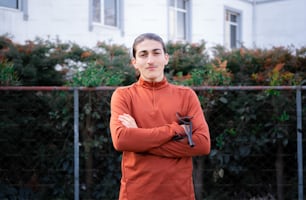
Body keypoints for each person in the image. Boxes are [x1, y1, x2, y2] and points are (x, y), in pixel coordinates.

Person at [109, 33, 210, 200]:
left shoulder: (186, 95)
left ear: (166, 58)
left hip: (179, 195)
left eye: (156, 53)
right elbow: (121, 140)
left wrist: (139, 138)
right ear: (134, 62)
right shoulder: (123, 95)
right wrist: (175, 130)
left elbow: (202, 144)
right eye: (143, 54)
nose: (150, 60)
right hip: (135, 194)